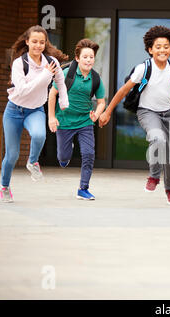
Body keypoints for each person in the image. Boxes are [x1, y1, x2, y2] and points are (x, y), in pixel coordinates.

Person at [98, 25, 170, 205]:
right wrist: (107, 111)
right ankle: (153, 176)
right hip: (146, 111)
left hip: (168, 114)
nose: (162, 50)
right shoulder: (143, 68)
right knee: (157, 139)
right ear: (150, 49)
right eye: (158, 46)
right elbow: (123, 91)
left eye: (166, 46)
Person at [0, 25, 69, 203]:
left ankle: (33, 162)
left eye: (42, 42)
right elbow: (23, 91)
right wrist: (46, 75)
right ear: (27, 42)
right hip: (14, 111)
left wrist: (63, 101)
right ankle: (5, 186)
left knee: (39, 135)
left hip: (35, 110)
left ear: (45, 44)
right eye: (35, 42)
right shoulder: (19, 63)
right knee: (12, 155)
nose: (38, 45)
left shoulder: (51, 61)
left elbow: (60, 81)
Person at [48, 38, 106, 200]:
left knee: (88, 154)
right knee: (63, 158)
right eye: (85, 57)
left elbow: (101, 102)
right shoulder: (67, 74)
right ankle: (67, 151)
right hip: (64, 121)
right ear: (78, 59)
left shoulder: (95, 78)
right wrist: (51, 117)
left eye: (91, 57)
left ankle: (83, 188)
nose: (89, 60)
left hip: (85, 122)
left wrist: (96, 113)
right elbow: (53, 94)